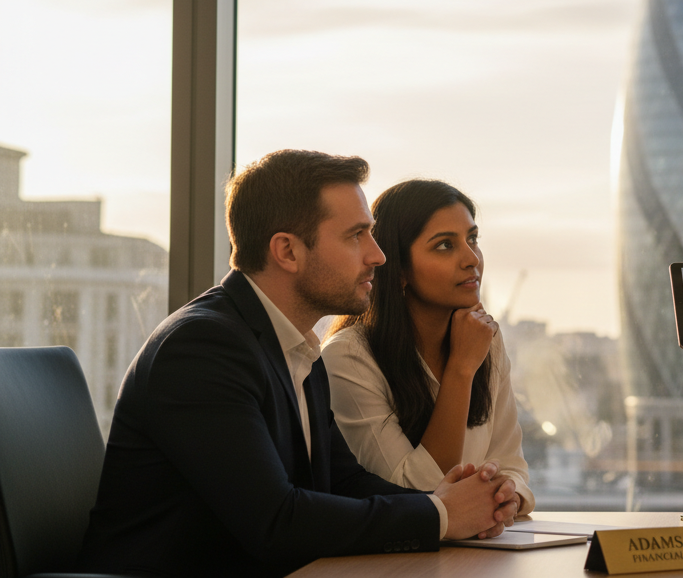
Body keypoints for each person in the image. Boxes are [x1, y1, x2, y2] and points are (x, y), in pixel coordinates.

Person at [79, 150, 516, 578]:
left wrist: (448, 501)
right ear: (287, 251)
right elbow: (275, 521)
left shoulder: (295, 348)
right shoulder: (201, 348)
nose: (377, 256)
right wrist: (440, 514)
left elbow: (345, 483)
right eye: (356, 235)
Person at [322, 179, 533, 520]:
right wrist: (461, 370)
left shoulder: (486, 341)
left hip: (479, 554)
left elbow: (512, 465)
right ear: (400, 269)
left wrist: (511, 497)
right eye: (445, 246)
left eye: (473, 239)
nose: (471, 259)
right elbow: (419, 494)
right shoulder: (349, 357)